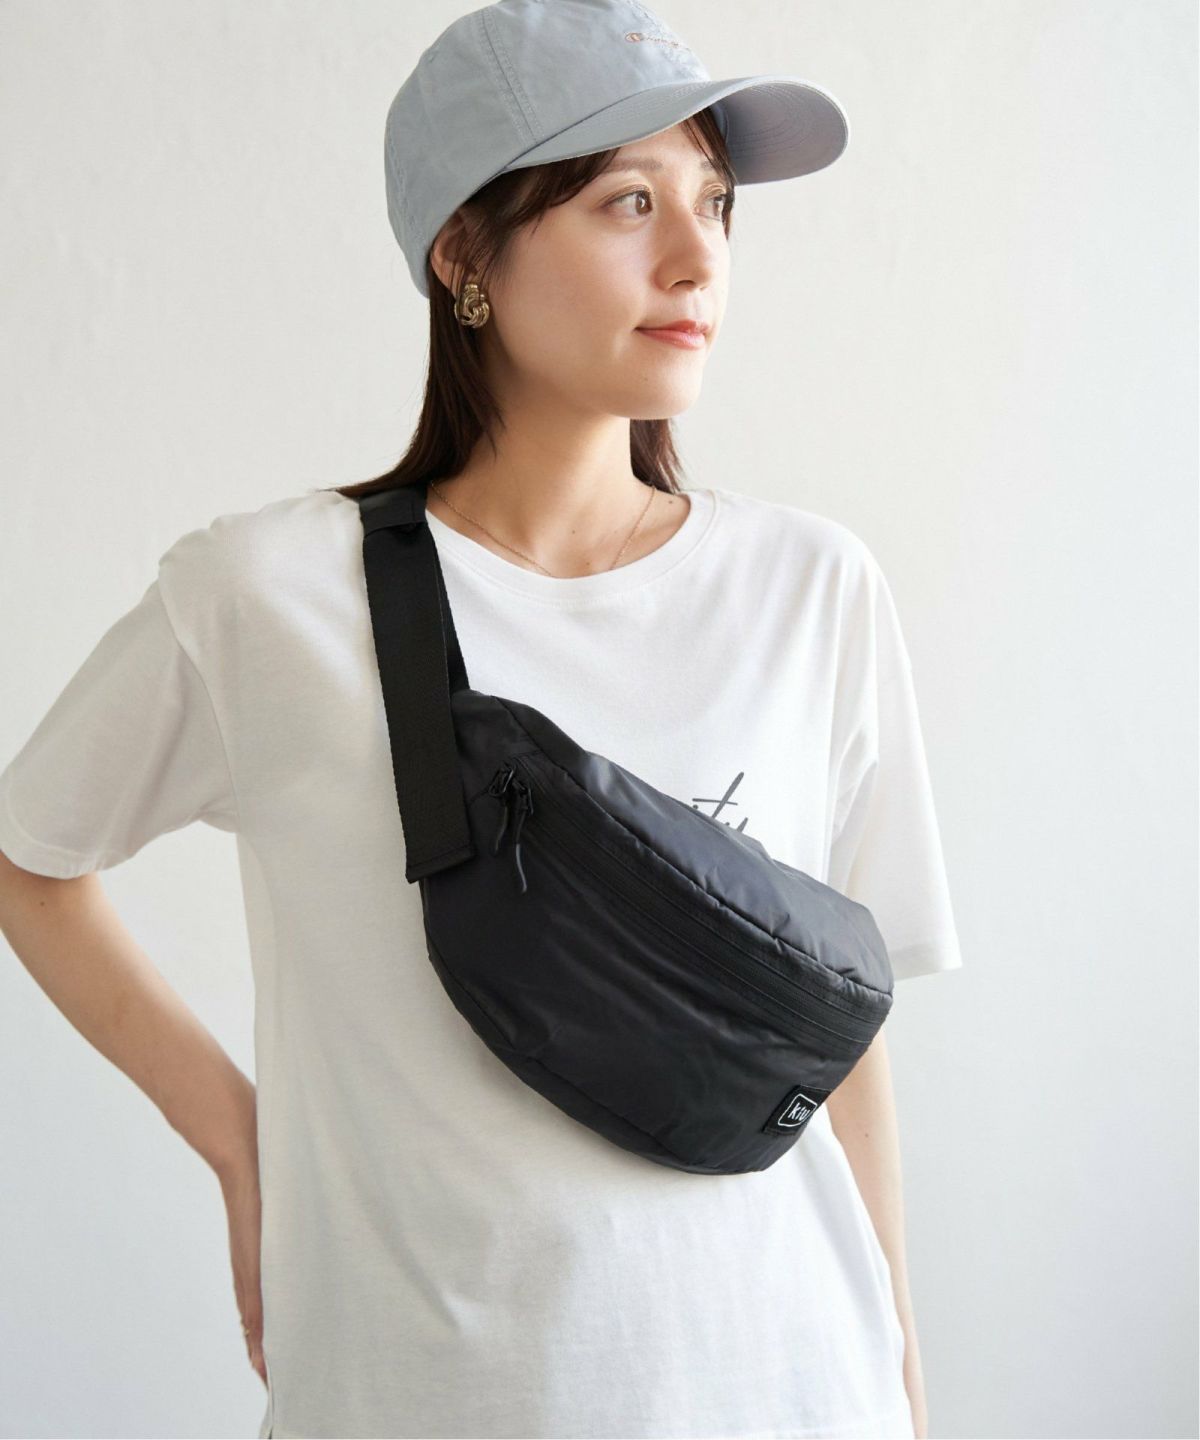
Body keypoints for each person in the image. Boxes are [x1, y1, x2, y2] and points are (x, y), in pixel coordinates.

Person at [0, 2, 964, 1436]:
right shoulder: (270, 596)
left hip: (791, 1389)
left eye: (713, 202)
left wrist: (899, 1358)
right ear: (464, 254)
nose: (697, 256)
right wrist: (238, 1144)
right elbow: (30, 855)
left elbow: (838, 1035)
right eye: (627, 201)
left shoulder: (811, 586)